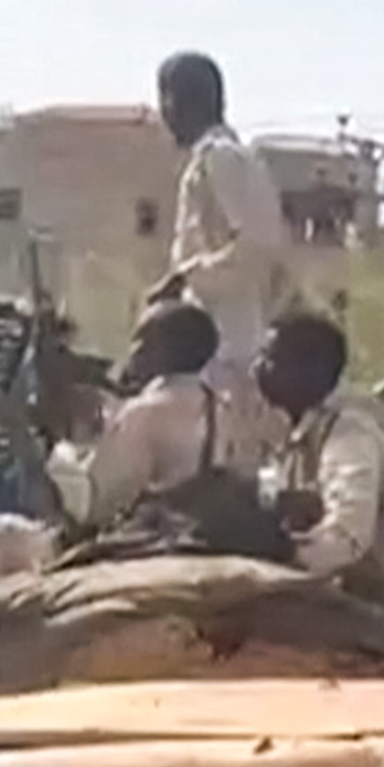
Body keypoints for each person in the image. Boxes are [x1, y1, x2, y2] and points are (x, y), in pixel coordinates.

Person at [0, 299, 234, 611]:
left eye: (142, 340)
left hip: (148, 548)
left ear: (166, 350)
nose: (133, 350)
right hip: (203, 541)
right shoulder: (222, 407)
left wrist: (24, 432)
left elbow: (89, 507)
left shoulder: (145, 414)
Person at [145, 51, 289, 476]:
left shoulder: (222, 159)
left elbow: (259, 247)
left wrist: (186, 278)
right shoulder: (222, 158)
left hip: (226, 347)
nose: (163, 113)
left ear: (181, 99)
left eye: (165, 99)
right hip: (220, 343)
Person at [253, 306, 384, 593]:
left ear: (308, 371)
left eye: (270, 359)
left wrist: (278, 557)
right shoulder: (292, 433)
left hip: (364, 602)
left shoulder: (349, 436)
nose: (257, 368)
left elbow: (349, 538)